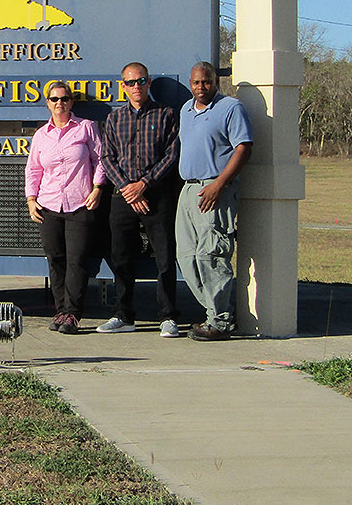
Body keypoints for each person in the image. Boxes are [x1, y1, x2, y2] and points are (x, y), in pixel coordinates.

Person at [98, 62, 182, 336]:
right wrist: (127, 188)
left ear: (148, 83)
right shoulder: (114, 118)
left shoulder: (166, 114)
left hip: (156, 195)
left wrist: (144, 184)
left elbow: (171, 154)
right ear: (122, 86)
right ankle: (123, 315)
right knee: (121, 256)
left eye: (141, 81)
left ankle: (168, 316)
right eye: (130, 82)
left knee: (165, 257)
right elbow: (107, 158)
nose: (136, 86)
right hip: (123, 196)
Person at [176, 61, 253, 341]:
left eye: (206, 82)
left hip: (215, 190)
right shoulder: (186, 110)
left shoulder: (230, 108)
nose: (200, 87)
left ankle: (219, 322)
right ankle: (213, 312)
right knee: (186, 257)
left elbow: (243, 148)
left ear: (215, 82)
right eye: (196, 82)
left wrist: (219, 184)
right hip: (189, 190)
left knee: (211, 255)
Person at [25, 81, 105, 334]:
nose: (60, 103)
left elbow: (101, 160)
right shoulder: (41, 135)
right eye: (54, 99)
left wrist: (97, 188)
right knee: (56, 260)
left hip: (80, 204)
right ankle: (60, 310)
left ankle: (72, 313)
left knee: (77, 261)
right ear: (47, 103)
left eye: (65, 99)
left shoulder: (86, 128)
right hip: (48, 205)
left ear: (71, 102)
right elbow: (33, 169)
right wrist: (31, 199)